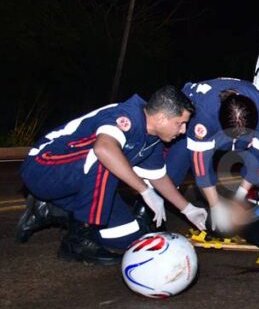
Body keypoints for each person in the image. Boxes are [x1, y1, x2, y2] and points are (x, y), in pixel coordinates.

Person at [17, 86, 208, 264]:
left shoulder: (152, 140)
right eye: (180, 123)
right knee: (107, 159)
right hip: (43, 167)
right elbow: (103, 149)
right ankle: (77, 242)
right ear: (161, 118)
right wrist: (144, 191)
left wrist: (188, 209)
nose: (183, 131)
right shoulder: (126, 116)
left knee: (131, 237)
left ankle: (48, 210)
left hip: (71, 184)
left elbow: (157, 177)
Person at [165, 78, 259, 232]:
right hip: (198, 124)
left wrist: (240, 196)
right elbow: (201, 165)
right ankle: (147, 214)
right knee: (170, 174)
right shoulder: (203, 113)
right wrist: (215, 205)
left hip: (245, 131)